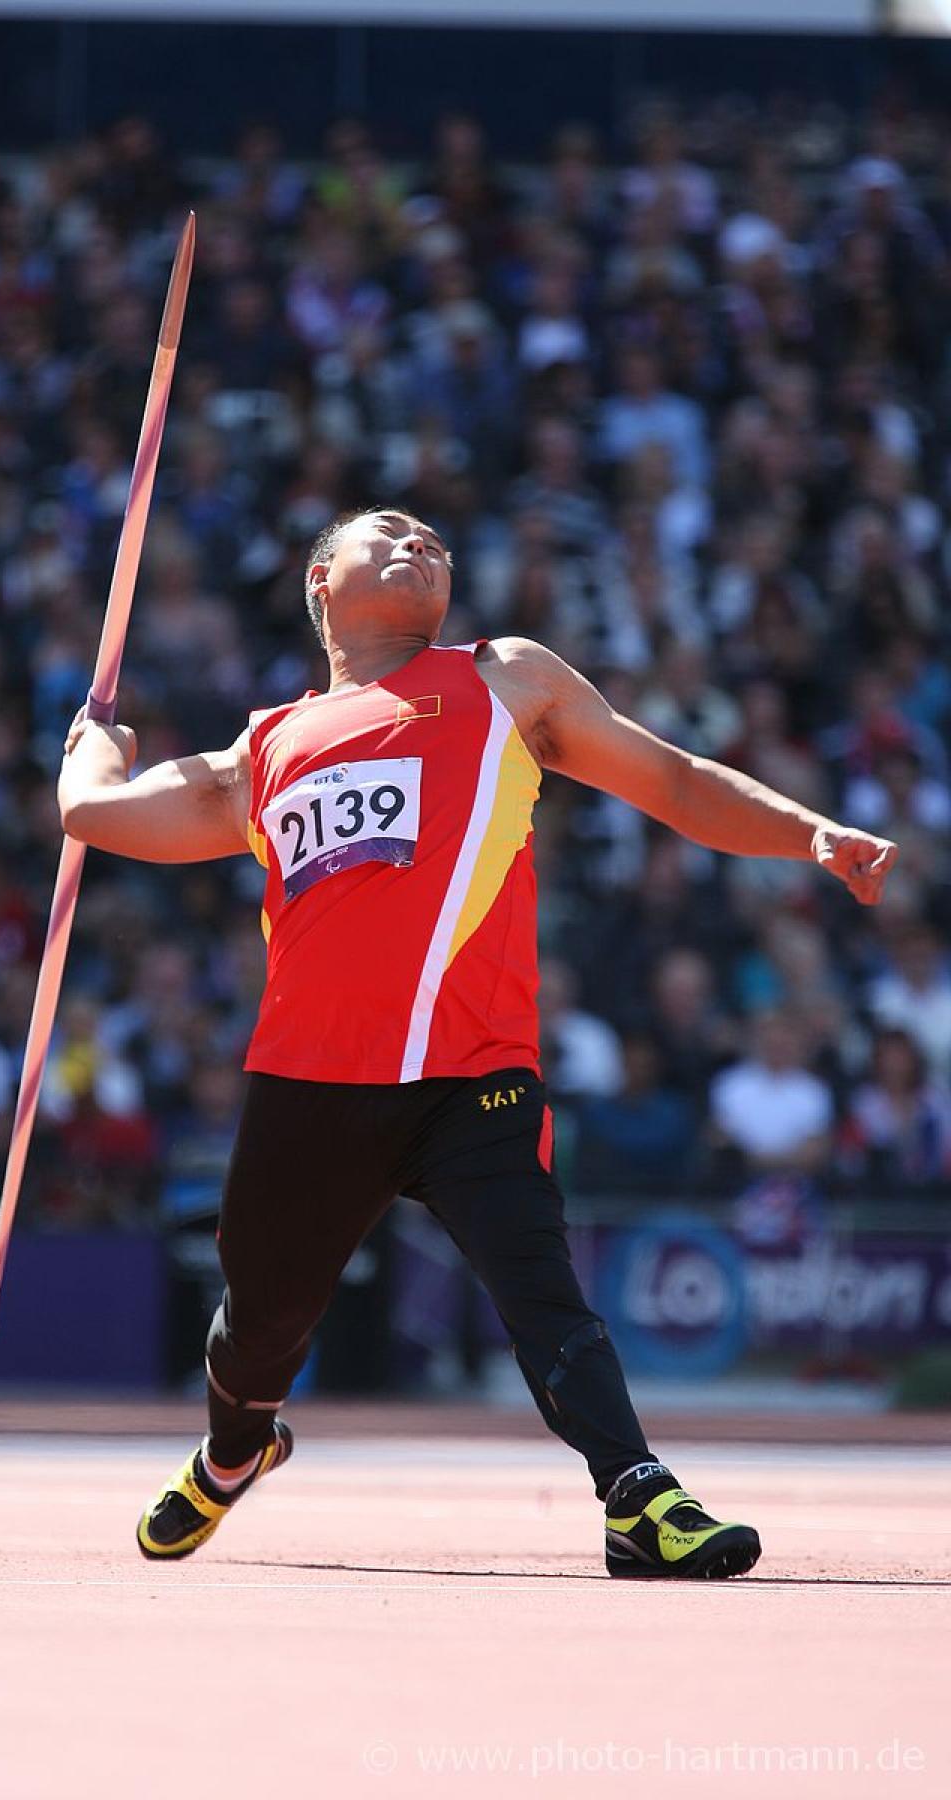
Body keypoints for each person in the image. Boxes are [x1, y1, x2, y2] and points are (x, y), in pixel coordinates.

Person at [58, 508, 896, 1578]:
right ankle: (236, 1451)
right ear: (323, 579)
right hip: (312, 1081)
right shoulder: (263, 750)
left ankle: (636, 1495)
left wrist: (808, 832)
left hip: (472, 1073)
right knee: (257, 1328)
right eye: (390, 532)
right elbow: (100, 818)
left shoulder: (505, 680)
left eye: (437, 540)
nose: (422, 543)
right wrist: (92, 758)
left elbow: (675, 782)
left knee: (539, 1287)